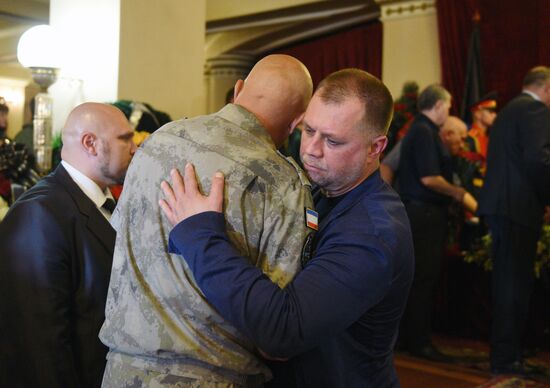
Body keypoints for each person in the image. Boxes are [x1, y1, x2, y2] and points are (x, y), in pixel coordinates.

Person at [159, 69, 414, 387]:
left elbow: (282, 332)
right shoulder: (322, 190)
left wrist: (199, 234)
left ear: (376, 148)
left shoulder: (374, 233)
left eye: (333, 141)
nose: (311, 150)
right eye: (309, 130)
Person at [99, 54, 314, 387]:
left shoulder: (159, 141)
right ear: (298, 120)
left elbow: (115, 247)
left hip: (121, 370)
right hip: (212, 375)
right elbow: (274, 334)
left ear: (239, 88)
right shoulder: (283, 183)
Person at [0, 102, 136, 388]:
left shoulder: (105, 201)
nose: (134, 148)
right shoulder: (39, 213)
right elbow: (37, 342)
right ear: (91, 143)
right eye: (125, 139)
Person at [478, 66, 550, 376]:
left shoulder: (509, 110)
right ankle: (507, 359)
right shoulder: (535, 109)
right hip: (517, 207)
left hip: (504, 206)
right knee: (514, 285)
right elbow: (539, 158)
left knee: (508, 282)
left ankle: (508, 355)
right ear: (545, 87)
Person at [397, 84, 477, 361]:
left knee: (418, 278)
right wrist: (460, 194)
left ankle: (409, 339)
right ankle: (418, 342)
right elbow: (429, 179)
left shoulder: (421, 130)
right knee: (423, 278)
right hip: (424, 214)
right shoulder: (424, 131)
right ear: (440, 105)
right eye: (449, 106)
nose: (449, 112)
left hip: (422, 213)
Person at [465, 92, 497, 163]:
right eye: (490, 112)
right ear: (477, 113)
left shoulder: (491, 137)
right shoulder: (469, 139)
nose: (495, 115)